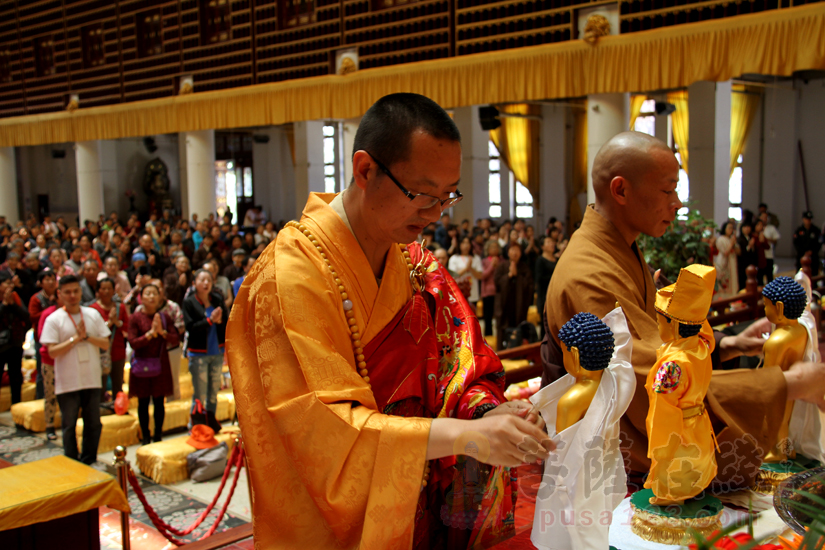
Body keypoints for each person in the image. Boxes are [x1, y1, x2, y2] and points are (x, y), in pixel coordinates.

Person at [226, 93, 551, 549]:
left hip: (420, 510)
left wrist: (488, 413)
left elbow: (461, 362)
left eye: (448, 195)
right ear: (365, 170)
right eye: (421, 194)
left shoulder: (415, 263)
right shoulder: (291, 277)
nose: (436, 213)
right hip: (333, 529)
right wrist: (467, 436)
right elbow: (325, 435)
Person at [542, 131, 825, 493]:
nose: (677, 203)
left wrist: (726, 344)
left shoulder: (617, 248)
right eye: (668, 190)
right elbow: (654, 380)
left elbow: (652, 336)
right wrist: (786, 385)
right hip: (606, 468)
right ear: (621, 190)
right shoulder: (589, 273)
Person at [40, 275, 111, 464]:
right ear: (59, 294)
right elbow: (52, 352)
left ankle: (89, 459)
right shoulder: (54, 319)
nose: (72, 295)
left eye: (76, 291)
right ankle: (71, 461)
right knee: (69, 425)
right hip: (68, 381)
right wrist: (74, 340)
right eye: (67, 292)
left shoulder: (92, 314)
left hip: (91, 378)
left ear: (81, 292)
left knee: (93, 423)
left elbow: (104, 342)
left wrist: (86, 337)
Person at [128, 283, 178, 444]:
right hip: (141, 364)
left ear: (160, 297)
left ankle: (158, 435)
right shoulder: (135, 318)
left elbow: (175, 338)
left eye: (154, 294)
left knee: (159, 402)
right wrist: (150, 335)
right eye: (147, 293)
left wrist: (162, 333)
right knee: (143, 402)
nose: (151, 297)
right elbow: (133, 342)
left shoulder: (165, 317)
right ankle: (145, 436)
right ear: (141, 297)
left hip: (160, 363)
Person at [183, 269, 227, 433]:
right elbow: (190, 328)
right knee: (200, 393)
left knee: (213, 391)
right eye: (202, 280)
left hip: (216, 352)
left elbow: (226, 321)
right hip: (198, 353)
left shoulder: (216, 299)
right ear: (194, 284)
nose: (206, 283)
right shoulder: (189, 302)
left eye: (209, 280)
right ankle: (196, 426)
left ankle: (210, 423)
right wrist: (209, 320)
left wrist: (220, 320)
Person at [90, 278, 129, 403]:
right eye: (103, 288)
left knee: (118, 383)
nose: (106, 291)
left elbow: (127, 328)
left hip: (117, 350)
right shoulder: (92, 309)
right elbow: (92, 331)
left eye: (109, 289)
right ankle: (100, 408)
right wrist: (109, 323)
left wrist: (117, 322)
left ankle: (118, 408)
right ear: (98, 291)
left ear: (114, 291)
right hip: (99, 352)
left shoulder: (120, 308)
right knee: (99, 384)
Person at [494, 241, 533, 348]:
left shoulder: (524, 267)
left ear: (521, 253)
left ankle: (518, 352)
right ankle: (502, 353)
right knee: (503, 329)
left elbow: (529, 286)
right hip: (504, 305)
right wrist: (509, 276)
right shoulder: (502, 266)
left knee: (519, 328)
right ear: (508, 252)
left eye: (517, 250)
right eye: (512, 250)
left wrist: (517, 276)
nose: (515, 253)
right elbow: (497, 283)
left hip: (519, 306)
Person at [0, 271, 31, 405]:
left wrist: (12, 304)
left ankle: (16, 406)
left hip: (15, 343)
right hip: (0, 345)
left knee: (16, 377)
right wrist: (4, 305)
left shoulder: (15, 297)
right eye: (6, 283)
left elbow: (26, 316)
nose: (9, 286)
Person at [29, 270, 59, 399]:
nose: (51, 282)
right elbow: (33, 316)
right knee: (42, 371)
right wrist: (50, 310)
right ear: (41, 283)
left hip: (59, 339)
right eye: (47, 279)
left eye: (53, 279)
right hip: (41, 339)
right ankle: (40, 397)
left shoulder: (59, 297)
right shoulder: (36, 299)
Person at [447, 236, 482, 304]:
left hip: (473, 292)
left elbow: (480, 276)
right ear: (459, 244)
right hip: (458, 292)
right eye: (463, 243)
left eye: (468, 243)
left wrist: (471, 268)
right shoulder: (454, 258)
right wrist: (466, 268)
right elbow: (452, 276)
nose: (466, 245)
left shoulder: (476, 258)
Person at [480, 238, 502, 337]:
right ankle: (488, 339)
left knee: (499, 316)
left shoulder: (503, 261)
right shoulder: (484, 261)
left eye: (496, 247)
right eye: (492, 247)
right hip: (487, 292)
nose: (494, 249)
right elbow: (483, 275)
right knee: (487, 318)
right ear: (487, 249)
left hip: (499, 292)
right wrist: (492, 266)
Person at [534, 236, 556, 326]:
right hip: (545, 294)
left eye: (552, 242)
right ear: (542, 247)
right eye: (548, 242)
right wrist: (554, 277)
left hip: (555, 294)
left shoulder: (557, 259)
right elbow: (539, 278)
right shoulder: (540, 260)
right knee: (545, 325)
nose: (551, 244)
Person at [714, 221, 739, 295]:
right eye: (729, 228)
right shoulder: (721, 239)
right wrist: (731, 244)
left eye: (732, 228)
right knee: (724, 283)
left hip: (732, 263)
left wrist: (734, 244)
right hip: (723, 263)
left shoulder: (731, 239)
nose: (731, 230)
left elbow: (737, 251)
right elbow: (725, 252)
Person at [793, 211, 821, 276]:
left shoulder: (816, 230)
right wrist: (803, 252)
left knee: (814, 275)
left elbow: (819, 243)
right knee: (800, 275)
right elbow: (796, 243)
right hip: (801, 256)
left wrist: (812, 251)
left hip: (813, 256)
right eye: (806, 219)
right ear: (803, 219)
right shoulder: (799, 230)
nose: (808, 221)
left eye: (809, 219)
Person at [760, 211, 780, 284]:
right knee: (760, 275)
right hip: (760, 255)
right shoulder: (757, 228)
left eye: (766, 218)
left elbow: (775, 240)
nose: (764, 219)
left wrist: (766, 239)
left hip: (769, 255)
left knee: (769, 275)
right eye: (763, 217)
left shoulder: (771, 228)